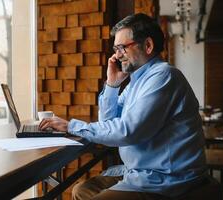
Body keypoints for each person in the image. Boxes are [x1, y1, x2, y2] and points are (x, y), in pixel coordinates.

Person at [39, 13, 207, 200]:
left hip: (165, 180)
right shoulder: (137, 81)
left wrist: (71, 126)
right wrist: (112, 85)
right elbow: (109, 124)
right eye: (115, 48)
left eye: (122, 48)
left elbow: (128, 131)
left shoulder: (164, 76)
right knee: (81, 190)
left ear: (148, 45)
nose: (117, 55)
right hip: (141, 174)